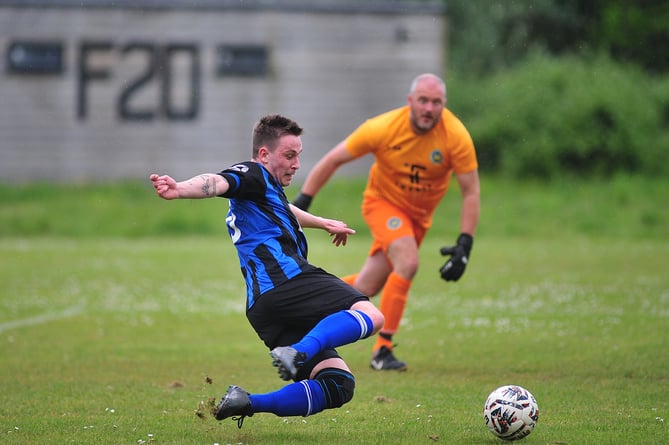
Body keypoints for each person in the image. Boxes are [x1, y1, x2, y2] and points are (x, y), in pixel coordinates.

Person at [150, 114, 384, 428]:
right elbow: (219, 181)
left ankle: (246, 401)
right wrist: (179, 189)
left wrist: (321, 222)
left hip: (263, 306)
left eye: (298, 155)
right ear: (263, 154)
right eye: (289, 155)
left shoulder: (263, 190)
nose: (296, 163)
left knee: (338, 383)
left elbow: (284, 209)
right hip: (286, 281)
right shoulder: (252, 174)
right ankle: (298, 351)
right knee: (371, 315)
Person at [292, 73, 480, 372]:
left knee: (368, 285)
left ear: (444, 105)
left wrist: (465, 244)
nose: (429, 108)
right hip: (383, 205)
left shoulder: (455, 136)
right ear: (410, 102)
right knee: (408, 262)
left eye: (437, 102)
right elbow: (332, 160)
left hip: (417, 220)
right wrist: (301, 204)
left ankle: (303, 307)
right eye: (423, 100)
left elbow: (471, 191)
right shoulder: (383, 128)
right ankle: (383, 351)